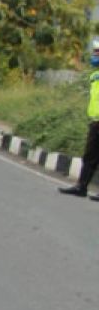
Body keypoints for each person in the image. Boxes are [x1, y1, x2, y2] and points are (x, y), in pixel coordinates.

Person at [57, 39, 99, 198]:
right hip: (95, 122)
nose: (95, 55)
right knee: (90, 156)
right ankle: (81, 187)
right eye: (95, 52)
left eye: (97, 52)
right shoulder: (95, 75)